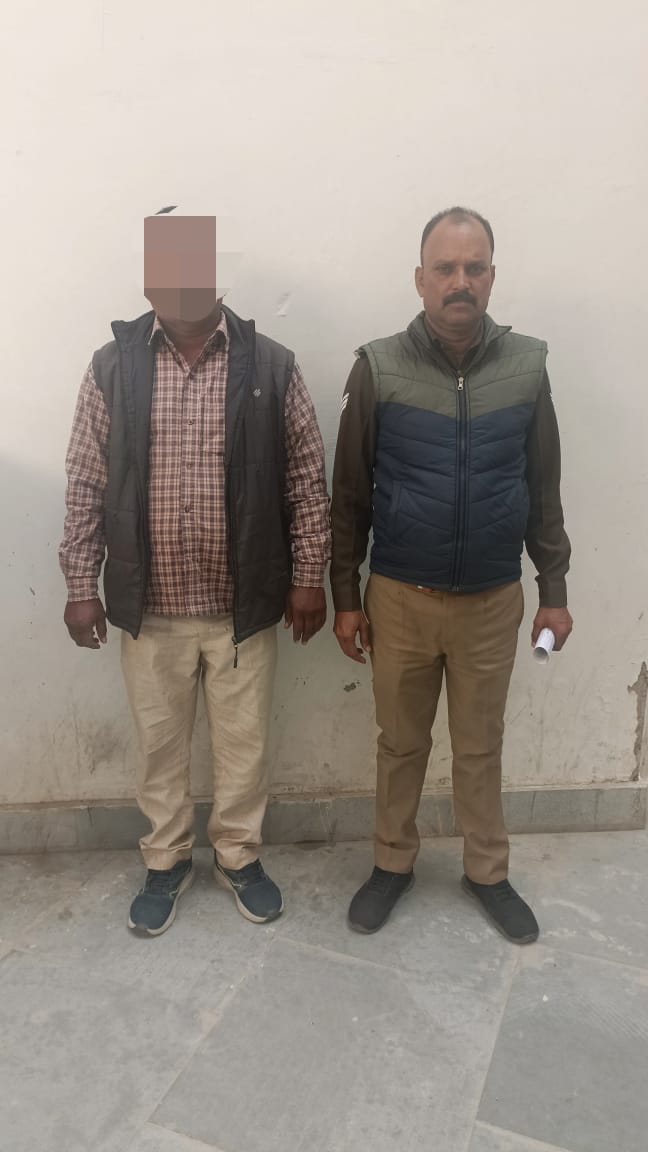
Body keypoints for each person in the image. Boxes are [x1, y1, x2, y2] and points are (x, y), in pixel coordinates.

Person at [60, 207, 331, 936]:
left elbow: (306, 478)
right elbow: (86, 480)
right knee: (159, 747)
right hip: (150, 606)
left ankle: (239, 856)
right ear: (150, 279)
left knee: (244, 746)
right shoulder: (112, 366)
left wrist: (309, 574)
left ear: (218, 273)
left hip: (243, 602)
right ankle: (166, 858)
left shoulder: (271, 364)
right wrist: (81, 585)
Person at [330, 207, 572, 944]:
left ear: (492, 276)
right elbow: (349, 494)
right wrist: (346, 597)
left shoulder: (527, 366)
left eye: (474, 268)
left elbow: (543, 489)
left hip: (493, 603)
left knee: (479, 746)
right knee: (400, 743)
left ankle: (487, 871)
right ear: (420, 279)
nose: (459, 282)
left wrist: (554, 593)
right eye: (445, 268)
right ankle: (391, 863)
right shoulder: (378, 366)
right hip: (400, 599)